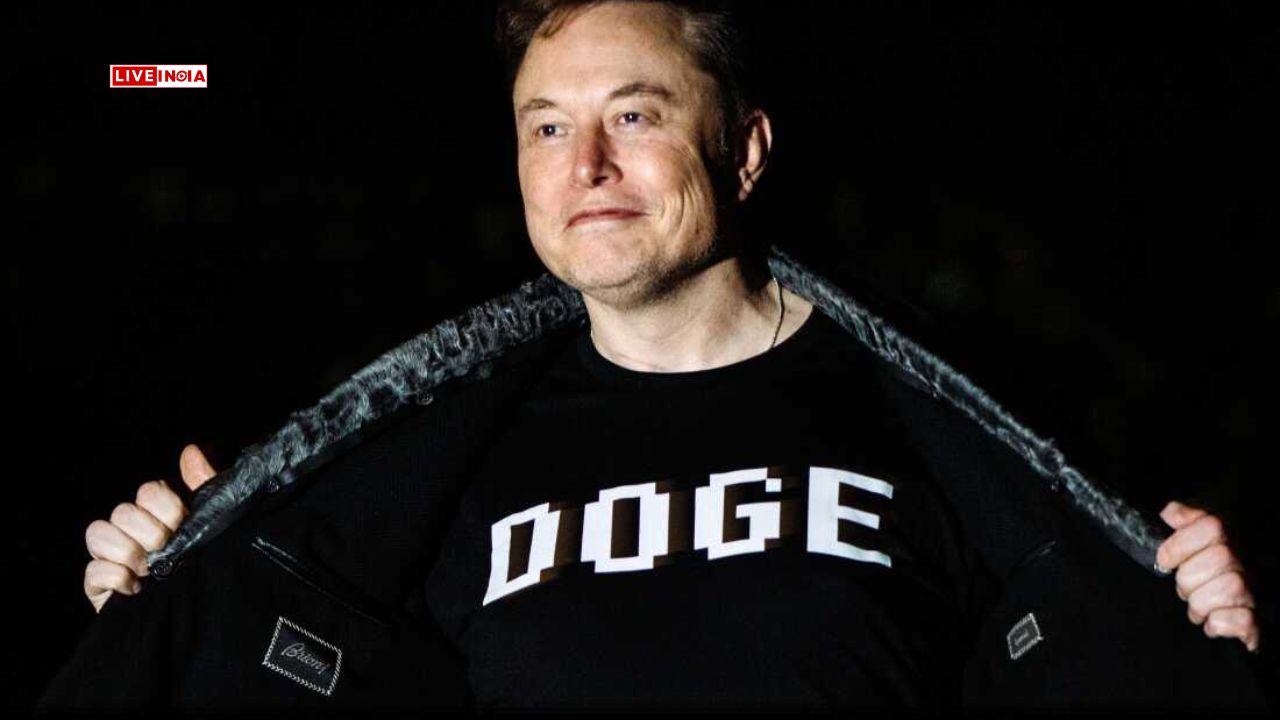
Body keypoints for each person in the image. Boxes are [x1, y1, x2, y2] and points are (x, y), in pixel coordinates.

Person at [47, 0, 1265, 711]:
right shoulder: (423, 464)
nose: (585, 168)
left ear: (743, 150)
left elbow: (1087, 641)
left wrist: (1187, 622)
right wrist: (174, 594)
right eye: (545, 128)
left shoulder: (936, 420)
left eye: (633, 115)